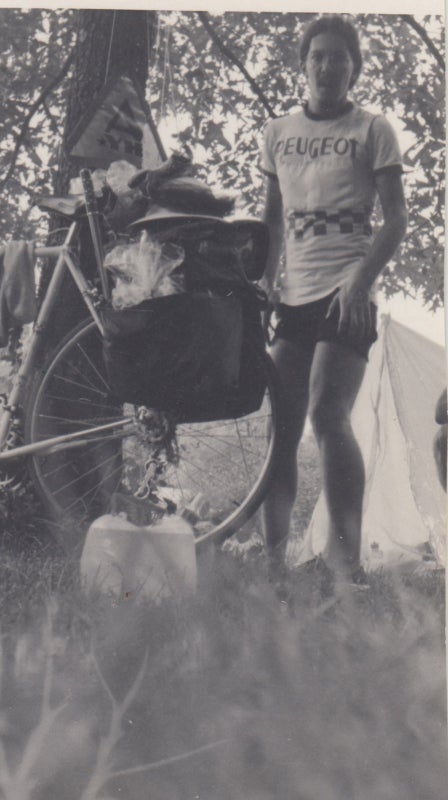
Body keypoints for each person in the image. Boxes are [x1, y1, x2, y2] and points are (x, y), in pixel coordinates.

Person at [259, 16, 408, 588]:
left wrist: (360, 280)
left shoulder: (373, 129)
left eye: (339, 57)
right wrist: (266, 283)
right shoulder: (278, 133)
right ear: (304, 66)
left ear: (353, 67)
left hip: (348, 290)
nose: (327, 67)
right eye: (317, 57)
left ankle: (346, 564)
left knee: (327, 415)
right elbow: (272, 222)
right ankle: (274, 564)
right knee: (282, 423)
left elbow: (395, 220)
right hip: (293, 295)